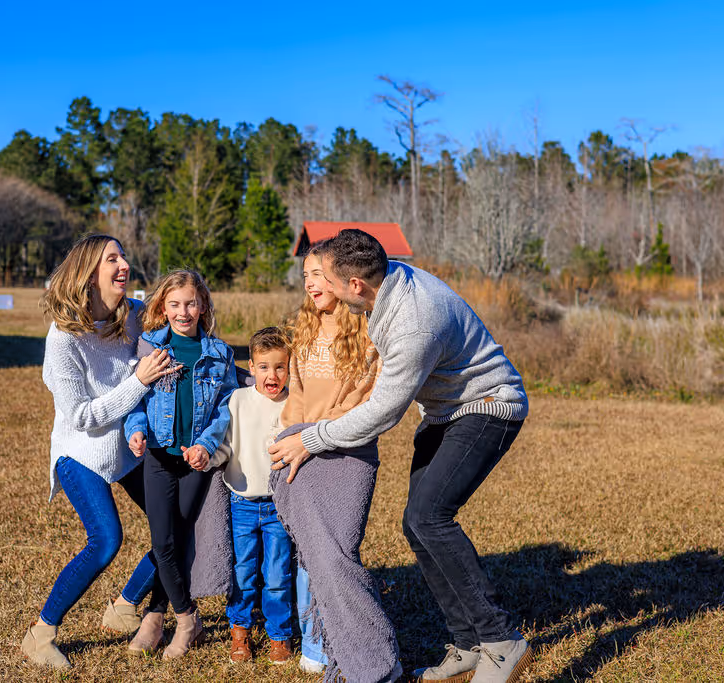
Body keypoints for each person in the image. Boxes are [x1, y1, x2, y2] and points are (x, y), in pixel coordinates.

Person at [269, 229, 532, 683]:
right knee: (416, 523)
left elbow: (382, 413)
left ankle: (500, 639)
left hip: (488, 406)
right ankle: (467, 643)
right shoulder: (386, 283)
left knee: (431, 516)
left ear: (355, 285)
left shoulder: (414, 321)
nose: (321, 288)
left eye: (328, 280)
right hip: (444, 412)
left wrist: (309, 439)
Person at [20, 234, 178, 671]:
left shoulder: (133, 317)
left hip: (130, 446)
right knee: (106, 539)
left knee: (176, 525)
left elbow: (181, 325)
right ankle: (40, 634)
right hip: (81, 453)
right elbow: (81, 417)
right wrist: (139, 382)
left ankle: (124, 605)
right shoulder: (63, 339)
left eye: (123, 256)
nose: (124, 264)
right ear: (89, 273)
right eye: (113, 258)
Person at [270, 247, 399, 682]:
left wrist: (316, 437)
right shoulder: (303, 328)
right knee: (310, 553)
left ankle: (369, 654)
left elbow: (363, 398)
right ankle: (316, 642)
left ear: (343, 280)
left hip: (350, 452)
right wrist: (292, 435)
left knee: (338, 552)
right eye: (304, 274)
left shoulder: (367, 330)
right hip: (301, 448)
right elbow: (299, 394)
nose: (309, 282)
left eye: (319, 274)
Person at [123, 269, 238, 659]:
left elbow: (226, 408)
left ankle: (154, 617)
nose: (183, 311)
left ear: (202, 304)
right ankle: (187, 618)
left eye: (190, 303)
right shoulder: (150, 346)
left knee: (181, 537)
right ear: (163, 307)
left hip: (196, 463)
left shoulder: (219, 353)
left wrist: (206, 444)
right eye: (174, 304)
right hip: (157, 455)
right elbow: (136, 399)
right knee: (162, 539)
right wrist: (135, 429)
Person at [204, 326, 294, 665]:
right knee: (242, 572)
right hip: (241, 503)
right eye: (264, 367)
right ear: (251, 367)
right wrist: (208, 457)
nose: (272, 375)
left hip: (279, 507)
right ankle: (239, 633)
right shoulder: (239, 400)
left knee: (276, 574)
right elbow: (227, 445)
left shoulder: (294, 404)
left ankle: (279, 636)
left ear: (290, 368)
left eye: (280, 367)